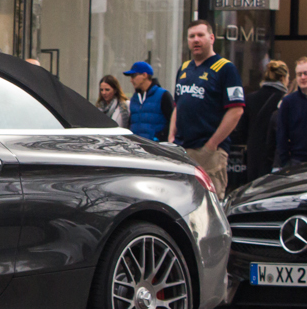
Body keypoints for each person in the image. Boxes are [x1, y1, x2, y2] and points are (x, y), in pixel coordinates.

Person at [168, 19, 244, 195]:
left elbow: (236, 110)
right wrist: (171, 136)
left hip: (208, 151)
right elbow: (178, 105)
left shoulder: (225, 69)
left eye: (200, 35)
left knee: (209, 206)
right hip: (182, 150)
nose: (196, 40)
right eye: (191, 36)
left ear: (211, 38)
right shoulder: (185, 68)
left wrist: (212, 145)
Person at [237, 60, 289, 181]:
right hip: (275, 155)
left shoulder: (250, 98)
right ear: (283, 78)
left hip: (254, 153)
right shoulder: (285, 100)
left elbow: (241, 129)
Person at [124, 61, 173, 142]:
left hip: (155, 148)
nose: (131, 80)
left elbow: (172, 121)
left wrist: (159, 137)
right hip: (136, 148)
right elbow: (132, 123)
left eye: (133, 76)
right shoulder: (135, 98)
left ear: (144, 75)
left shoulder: (163, 95)